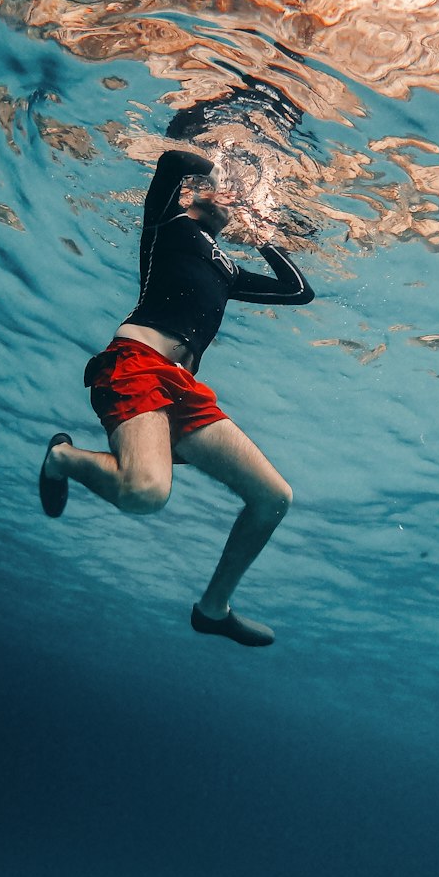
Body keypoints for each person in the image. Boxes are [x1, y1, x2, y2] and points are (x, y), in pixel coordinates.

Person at [39, 148, 315, 646]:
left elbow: (297, 291)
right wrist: (218, 174)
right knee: (145, 495)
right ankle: (61, 458)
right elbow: (170, 162)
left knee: (274, 498)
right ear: (194, 195)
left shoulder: (229, 271)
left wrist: (262, 237)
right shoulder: (166, 227)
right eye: (212, 193)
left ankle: (213, 609)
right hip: (136, 364)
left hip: (184, 389)